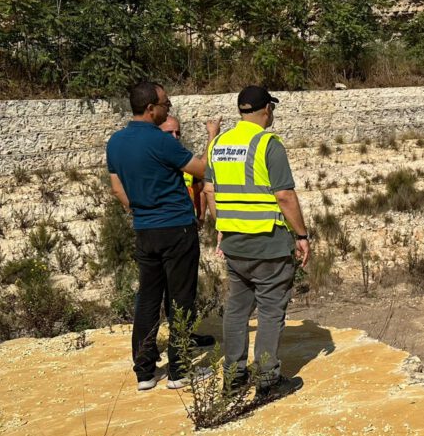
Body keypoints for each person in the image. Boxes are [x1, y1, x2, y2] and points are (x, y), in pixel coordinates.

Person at [106, 81, 220, 391]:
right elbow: (202, 170)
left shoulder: (115, 142)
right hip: (176, 227)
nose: (168, 108)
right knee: (181, 298)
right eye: (165, 104)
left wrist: (142, 209)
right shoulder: (161, 141)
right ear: (150, 108)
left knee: (148, 299)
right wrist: (213, 140)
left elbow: (118, 189)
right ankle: (181, 370)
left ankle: (145, 372)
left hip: (145, 229)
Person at [204, 85, 311, 399]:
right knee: (269, 311)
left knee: (237, 310)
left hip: (235, 242)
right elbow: (284, 196)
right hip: (268, 243)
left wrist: (220, 225)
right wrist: (302, 236)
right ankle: (267, 380)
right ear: (267, 110)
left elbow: (210, 191)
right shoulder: (268, 144)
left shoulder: (219, 143)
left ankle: (234, 378)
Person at [160, 116, 206, 223]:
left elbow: (200, 190)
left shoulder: (186, 160)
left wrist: (201, 214)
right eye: (169, 132)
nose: (175, 137)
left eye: (178, 133)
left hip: (186, 219)